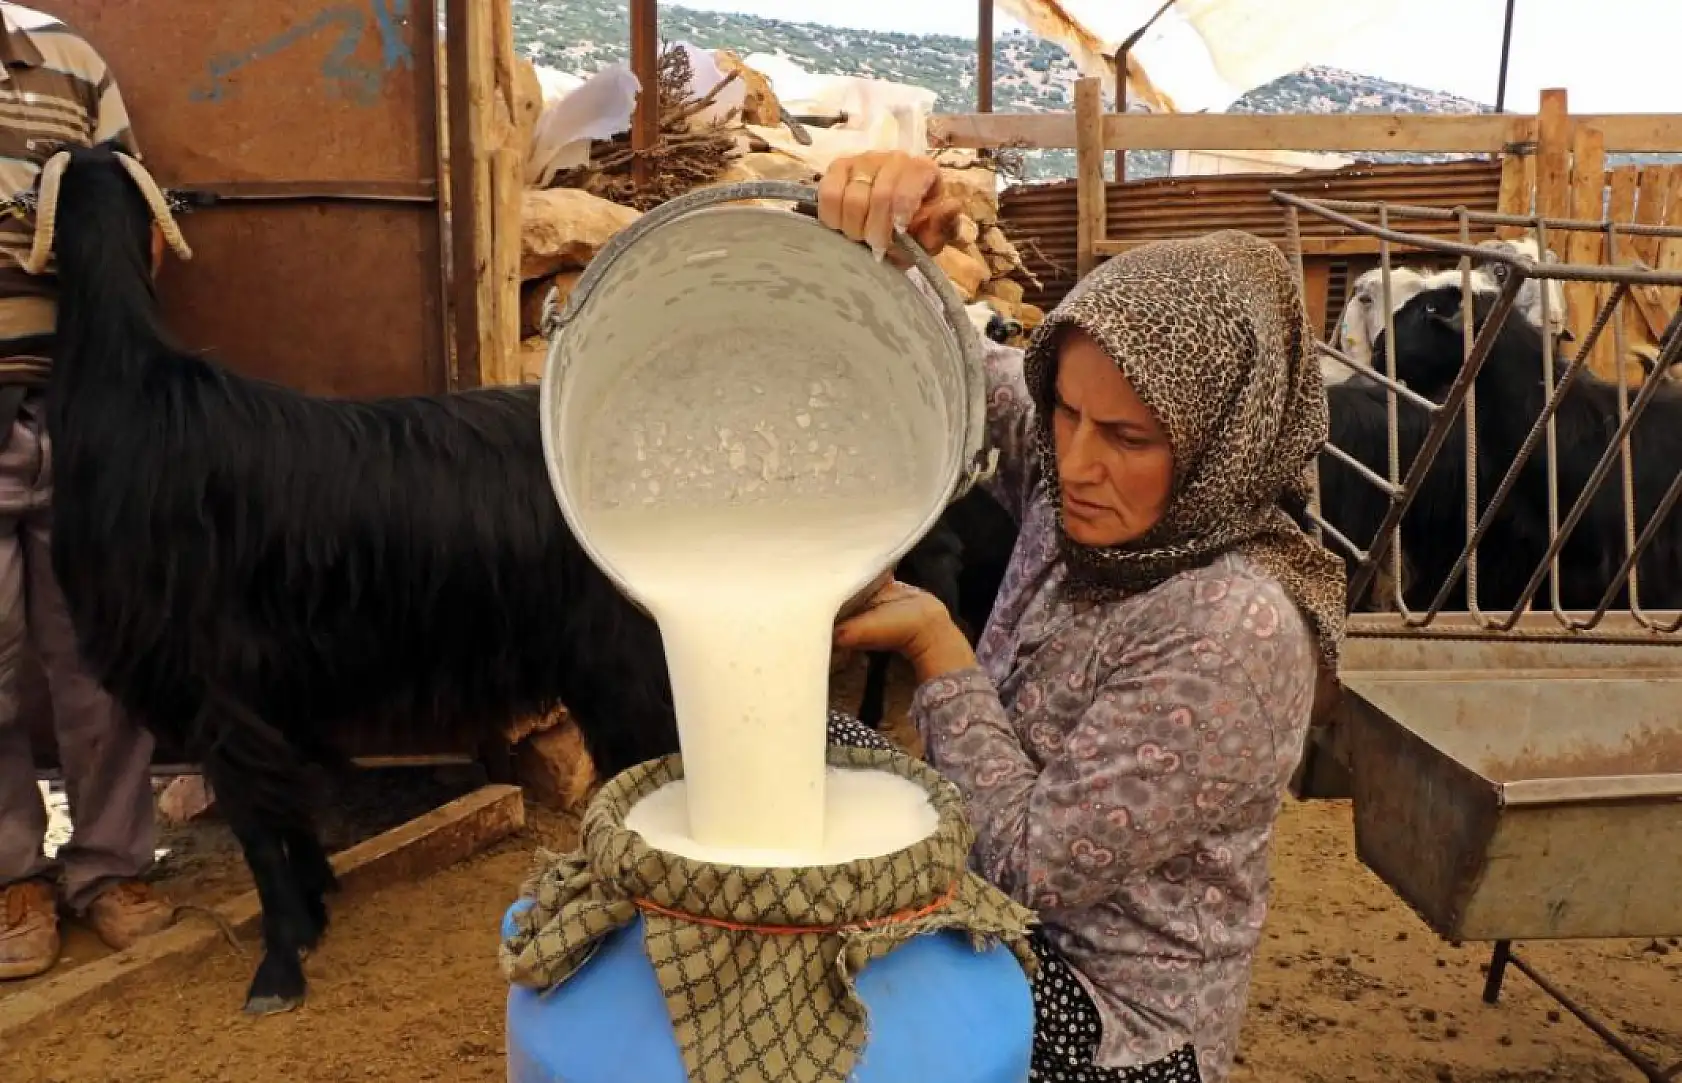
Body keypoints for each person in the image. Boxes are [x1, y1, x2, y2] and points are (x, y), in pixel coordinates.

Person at [816, 150, 1346, 1083]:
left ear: (1223, 438)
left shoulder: (1234, 629)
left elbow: (1025, 866)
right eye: (1065, 412)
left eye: (1130, 438)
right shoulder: (1092, 483)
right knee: (804, 751)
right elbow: (965, 377)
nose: (1076, 463)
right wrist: (895, 252)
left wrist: (937, 650)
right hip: (989, 902)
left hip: (1105, 1012)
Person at [0, 2, 171, 981]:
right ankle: (11, 877)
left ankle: (109, 868)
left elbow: (134, 220)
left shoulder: (67, 61)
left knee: (102, 654)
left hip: (80, 412)